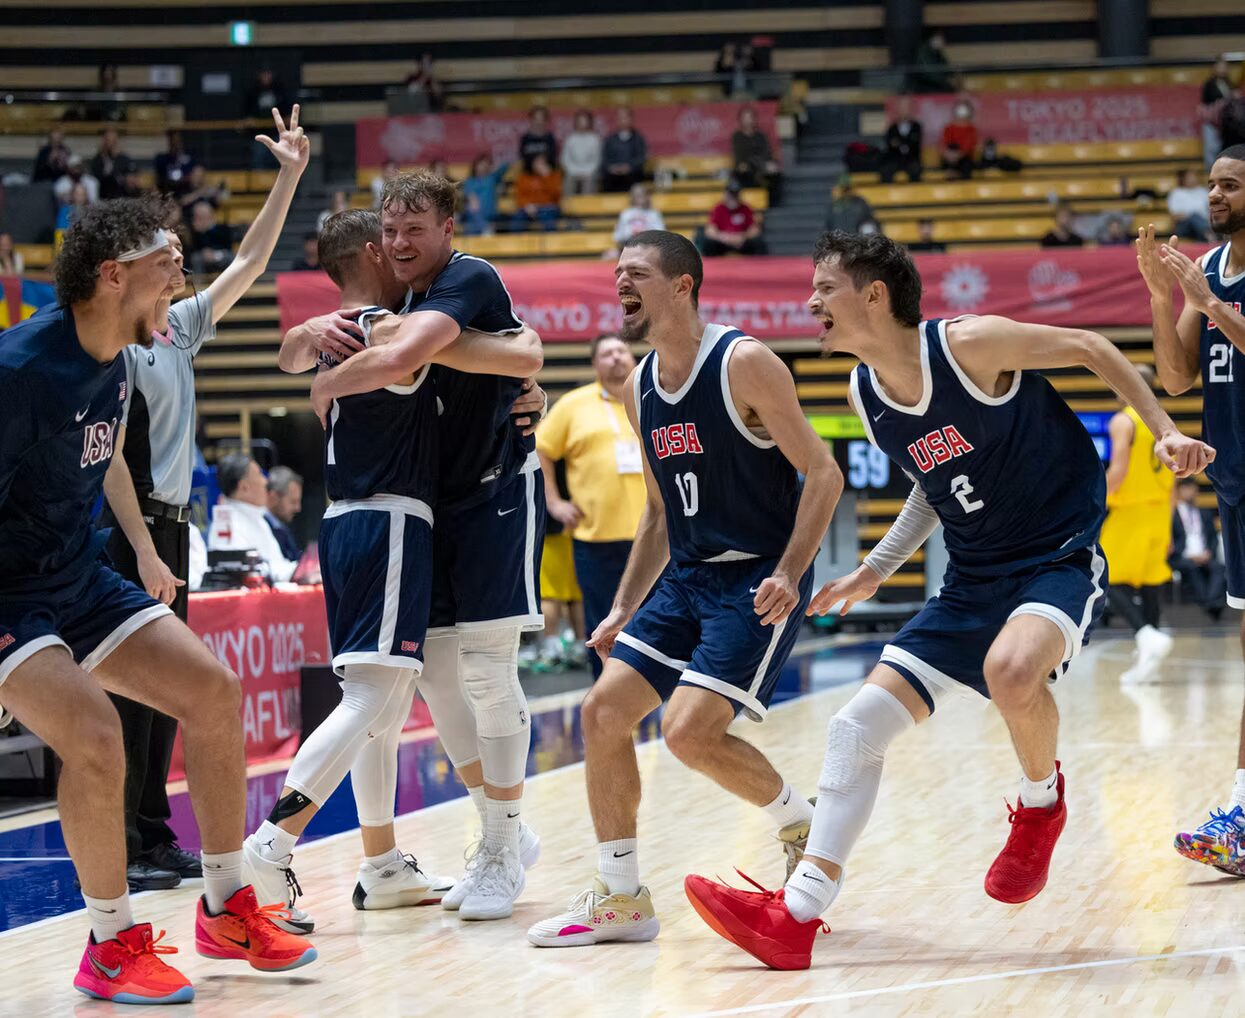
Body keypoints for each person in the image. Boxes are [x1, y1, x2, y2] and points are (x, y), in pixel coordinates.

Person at [685, 230, 1212, 971]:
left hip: (1054, 558)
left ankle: (1039, 803)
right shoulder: (865, 392)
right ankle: (794, 914)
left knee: (1011, 671)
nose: (810, 303)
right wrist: (873, 569)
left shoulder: (970, 344)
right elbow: (931, 491)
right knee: (853, 728)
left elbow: (1092, 346)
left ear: (873, 294)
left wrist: (1160, 430)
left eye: (824, 288)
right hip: (971, 577)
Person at [0, 197, 317, 1004]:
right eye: (167, 261)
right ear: (114, 275)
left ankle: (223, 906)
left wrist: (139, 547)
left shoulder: (116, 356)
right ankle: (109, 944)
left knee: (212, 693)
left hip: (77, 573)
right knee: (99, 738)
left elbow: (97, 451)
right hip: (11, 594)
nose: (181, 273)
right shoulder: (18, 369)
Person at [528, 230, 842, 949]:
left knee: (687, 733)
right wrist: (619, 608)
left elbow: (822, 474)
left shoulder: (744, 362)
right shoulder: (639, 385)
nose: (619, 286)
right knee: (602, 712)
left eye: (635, 273)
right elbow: (662, 513)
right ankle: (619, 899)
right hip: (687, 575)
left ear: (682, 286)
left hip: (757, 575)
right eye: (615, 275)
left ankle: (802, 820)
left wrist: (789, 573)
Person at [261, 205, 544, 926]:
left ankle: (385, 860)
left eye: (410, 232)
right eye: (388, 238)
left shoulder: (343, 330)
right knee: (374, 702)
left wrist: (311, 364)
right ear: (370, 251)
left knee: (392, 704)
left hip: (353, 520)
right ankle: (268, 850)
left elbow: (296, 355)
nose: (399, 248)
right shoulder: (385, 328)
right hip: (389, 518)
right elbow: (508, 354)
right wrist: (521, 355)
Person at [98, 107, 312, 898]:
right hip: (128, 534)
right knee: (130, 695)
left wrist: (288, 174)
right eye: (170, 252)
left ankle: (151, 835)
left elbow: (253, 259)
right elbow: (113, 456)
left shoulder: (179, 329)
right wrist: (148, 552)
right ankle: (125, 840)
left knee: (165, 698)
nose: (184, 260)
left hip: (170, 528)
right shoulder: (109, 348)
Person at [1140, 146, 1245, 873]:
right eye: (1210, 183)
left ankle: (1240, 812)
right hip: (1234, 483)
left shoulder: (1214, 286)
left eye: (1229, 184)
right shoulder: (1206, 268)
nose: (1213, 194)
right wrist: (1160, 295)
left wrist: (1209, 307)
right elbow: (1175, 380)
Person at [536, 334, 646, 678]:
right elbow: (542, 449)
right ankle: (607, 699)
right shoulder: (573, 404)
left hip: (653, 540)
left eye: (620, 351)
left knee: (659, 625)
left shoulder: (650, 396)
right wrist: (554, 501)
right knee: (603, 626)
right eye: (606, 353)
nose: (615, 357)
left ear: (632, 357)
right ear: (595, 364)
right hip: (595, 538)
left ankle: (662, 702)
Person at [1098, 364, 1176, 685]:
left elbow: (1117, 471)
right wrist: (1169, 526)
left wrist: (1091, 498)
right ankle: (1148, 662)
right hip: (1159, 511)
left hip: (1129, 510)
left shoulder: (1123, 420)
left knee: (1105, 577)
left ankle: (1146, 634)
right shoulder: (1165, 423)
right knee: (1151, 583)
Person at [207, 455, 301, 581]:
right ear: (244, 487)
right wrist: (294, 571)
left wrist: (299, 569)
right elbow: (242, 574)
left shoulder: (259, 518)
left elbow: (277, 563)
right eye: (259, 475)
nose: (265, 481)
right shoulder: (225, 524)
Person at [1171, 478, 1226, 618]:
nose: (1190, 492)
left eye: (1192, 488)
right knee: (1191, 567)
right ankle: (1210, 603)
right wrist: (1189, 556)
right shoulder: (1172, 514)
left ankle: (1209, 601)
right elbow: (1171, 541)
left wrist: (1208, 553)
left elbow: (1213, 538)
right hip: (1182, 556)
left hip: (1204, 554)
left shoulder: (1204, 512)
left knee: (1219, 568)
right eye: (1186, 489)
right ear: (1179, 491)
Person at [701, 180, 766, 256]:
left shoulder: (746, 208)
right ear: (726, 194)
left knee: (758, 243)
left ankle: (757, 266)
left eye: (735, 194)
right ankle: (711, 267)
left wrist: (743, 236)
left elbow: (754, 229)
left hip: (741, 242)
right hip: (723, 242)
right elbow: (710, 230)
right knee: (708, 243)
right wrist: (723, 237)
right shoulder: (718, 208)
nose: (733, 197)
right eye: (731, 194)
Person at [731, 107, 781, 202]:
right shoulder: (737, 137)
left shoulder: (761, 136)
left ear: (754, 119)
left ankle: (773, 203)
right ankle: (745, 201)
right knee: (742, 169)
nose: (748, 121)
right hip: (745, 166)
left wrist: (768, 164)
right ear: (741, 120)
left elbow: (766, 153)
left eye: (750, 117)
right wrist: (746, 163)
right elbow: (739, 155)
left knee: (774, 171)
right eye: (745, 118)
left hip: (760, 165)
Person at [1201, 58, 1236, 173]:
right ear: (1214, 68)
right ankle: (1211, 171)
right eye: (1220, 66)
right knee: (1211, 148)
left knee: (1224, 147)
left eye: (1225, 67)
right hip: (1211, 122)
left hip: (1226, 123)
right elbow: (1206, 104)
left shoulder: (1229, 83)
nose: (1223, 69)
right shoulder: (1209, 84)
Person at [609, 184, 665, 254]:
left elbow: (661, 233)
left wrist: (645, 233)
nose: (640, 198)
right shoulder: (626, 213)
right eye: (637, 195)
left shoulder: (654, 214)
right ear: (632, 197)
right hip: (628, 247)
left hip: (649, 247)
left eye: (642, 195)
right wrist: (631, 234)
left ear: (647, 196)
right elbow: (618, 236)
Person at [461, 154, 510, 236]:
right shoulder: (470, 181)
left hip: (490, 216)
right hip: (474, 218)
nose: (483, 167)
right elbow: (471, 198)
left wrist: (493, 167)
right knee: (472, 209)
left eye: (485, 164)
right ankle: (485, 228)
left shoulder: (491, 178)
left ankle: (486, 229)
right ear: (475, 166)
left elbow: (505, 166)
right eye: (480, 164)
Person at [512, 154, 562, 232]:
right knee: (517, 220)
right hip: (528, 208)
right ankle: (516, 243)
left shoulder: (554, 176)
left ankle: (550, 242)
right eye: (537, 162)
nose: (540, 165)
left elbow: (556, 196)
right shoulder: (523, 177)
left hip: (548, 208)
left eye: (542, 163)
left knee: (549, 221)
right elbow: (519, 196)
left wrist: (547, 177)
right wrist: (526, 205)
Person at [602, 107, 648, 193]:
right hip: (613, 176)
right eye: (619, 118)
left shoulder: (638, 138)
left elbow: (641, 157)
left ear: (631, 119)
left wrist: (629, 167)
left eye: (625, 117)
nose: (622, 120)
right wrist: (611, 167)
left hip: (632, 175)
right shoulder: (610, 139)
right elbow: (604, 158)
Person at [880, 97, 924, 184]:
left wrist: (899, 142)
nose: (904, 111)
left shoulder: (916, 126)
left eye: (906, 108)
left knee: (916, 170)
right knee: (886, 170)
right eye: (901, 108)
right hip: (895, 159)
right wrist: (907, 141)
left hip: (912, 159)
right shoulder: (892, 127)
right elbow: (890, 144)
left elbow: (915, 144)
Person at [264, 466, 304, 562]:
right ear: (273, 497)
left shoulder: (282, 528)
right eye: (293, 502)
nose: (298, 508)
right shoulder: (261, 528)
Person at [561, 110, 603, 195]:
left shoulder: (595, 139)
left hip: (589, 172)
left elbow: (597, 160)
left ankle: (587, 207)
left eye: (585, 121)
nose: (582, 124)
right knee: (568, 180)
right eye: (580, 121)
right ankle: (568, 207)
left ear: (589, 122)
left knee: (589, 180)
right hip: (573, 172)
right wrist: (573, 171)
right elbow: (565, 159)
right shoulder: (570, 139)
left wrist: (587, 172)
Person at [1168, 168, 1215, 242]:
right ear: (1183, 179)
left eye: (1194, 176)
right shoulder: (1176, 193)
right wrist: (1191, 216)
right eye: (1190, 177)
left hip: (1204, 221)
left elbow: (1211, 209)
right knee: (1194, 216)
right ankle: (1208, 234)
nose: (1193, 178)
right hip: (1184, 225)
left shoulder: (1202, 191)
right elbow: (1175, 215)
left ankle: (1205, 235)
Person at [90, 127, 136, 201]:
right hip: (104, 198)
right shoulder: (97, 160)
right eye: (108, 140)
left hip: (123, 198)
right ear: (104, 141)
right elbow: (97, 180)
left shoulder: (125, 159)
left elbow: (131, 181)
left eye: (113, 140)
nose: (111, 143)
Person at [188, 201, 234, 273]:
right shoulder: (194, 232)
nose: (198, 219)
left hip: (221, 255)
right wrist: (200, 232)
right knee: (195, 258)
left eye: (202, 216)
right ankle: (199, 283)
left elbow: (228, 247)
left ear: (210, 216)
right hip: (203, 257)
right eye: (197, 217)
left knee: (231, 257)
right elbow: (193, 249)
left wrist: (216, 254)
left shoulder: (222, 229)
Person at [940, 100, 978, 180]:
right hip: (948, 160)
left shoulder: (972, 130)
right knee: (952, 147)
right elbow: (943, 145)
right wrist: (949, 156)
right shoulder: (948, 128)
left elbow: (967, 148)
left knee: (966, 166)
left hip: (964, 161)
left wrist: (956, 156)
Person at [910, 29, 954, 94]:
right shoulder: (923, 51)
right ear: (932, 39)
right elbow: (928, 72)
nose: (943, 42)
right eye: (940, 39)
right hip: (925, 86)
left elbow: (946, 67)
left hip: (936, 84)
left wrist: (951, 77)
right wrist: (945, 80)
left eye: (943, 39)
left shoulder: (937, 53)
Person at [154, 130, 195, 196]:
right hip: (167, 191)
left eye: (178, 141)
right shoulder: (161, 159)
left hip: (184, 192)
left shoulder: (188, 158)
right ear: (169, 142)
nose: (175, 143)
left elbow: (191, 176)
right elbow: (160, 178)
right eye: (173, 140)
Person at [518, 105, 557, 173]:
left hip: (547, 172)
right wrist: (534, 162)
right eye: (536, 119)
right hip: (529, 173)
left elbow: (553, 154)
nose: (539, 122)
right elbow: (523, 155)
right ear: (531, 120)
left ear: (546, 121)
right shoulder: (525, 138)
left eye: (542, 119)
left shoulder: (549, 137)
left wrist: (543, 159)